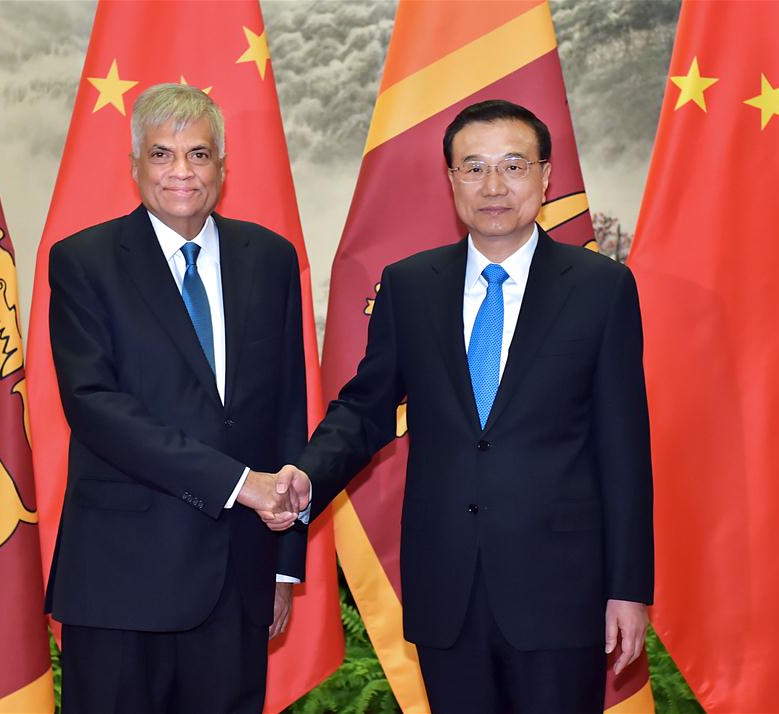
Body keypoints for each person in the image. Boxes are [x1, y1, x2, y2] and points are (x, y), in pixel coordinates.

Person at [274, 100, 654, 712]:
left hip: (561, 588)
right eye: (473, 168)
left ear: (545, 175)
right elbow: (366, 409)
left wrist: (628, 588)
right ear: (451, 180)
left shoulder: (601, 289)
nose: (494, 186)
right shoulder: (409, 285)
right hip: (445, 584)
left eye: (513, 165)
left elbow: (624, 447)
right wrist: (305, 475)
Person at [45, 83, 310, 714]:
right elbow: (95, 407)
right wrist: (238, 483)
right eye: (162, 155)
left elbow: (287, 413)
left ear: (223, 166)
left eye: (199, 154)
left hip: (237, 582)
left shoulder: (270, 259)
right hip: (121, 583)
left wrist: (282, 568)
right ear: (135, 166)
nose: (182, 172)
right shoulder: (83, 261)